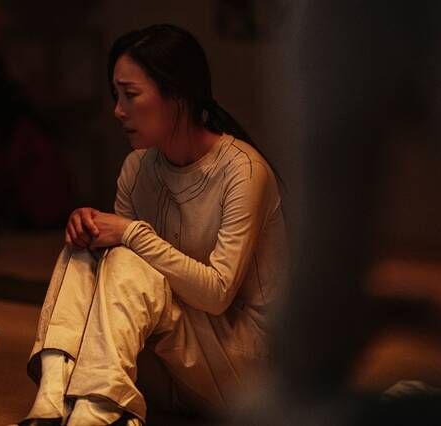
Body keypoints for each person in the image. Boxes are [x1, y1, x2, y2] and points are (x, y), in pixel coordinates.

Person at [22, 24, 288, 425]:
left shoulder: (243, 172)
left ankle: (97, 409)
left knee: (125, 256)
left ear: (177, 95)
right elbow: (115, 277)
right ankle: (56, 396)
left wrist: (128, 233)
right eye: (116, 96)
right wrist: (93, 230)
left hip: (244, 370)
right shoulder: (137, 167)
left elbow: (217, 293)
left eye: (130, 95)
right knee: (90, 251)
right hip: (170, 360)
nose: (118, 110)